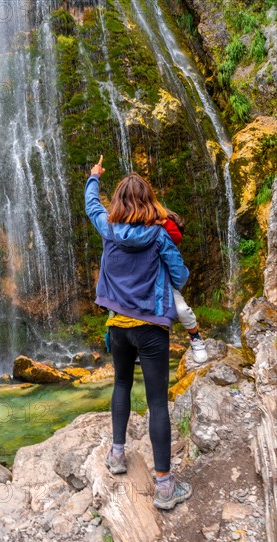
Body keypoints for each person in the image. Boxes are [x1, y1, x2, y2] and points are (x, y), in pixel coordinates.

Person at [85, 156, 192, 510]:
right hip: (151, 329)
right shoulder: (160, 236)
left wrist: (93, 178)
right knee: (157, 401)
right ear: (149, 202)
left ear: (115, 203)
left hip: (118, 327)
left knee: (121, 385)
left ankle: (116, 455)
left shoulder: (107, 227)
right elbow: (180, 276)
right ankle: (164, 486)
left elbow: (91, 207)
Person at [158, 213, 208, 363]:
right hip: (141, 279)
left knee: (182, 310)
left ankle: (195, 337)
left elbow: (177, 268)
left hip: (164, 282)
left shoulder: (162, 229)